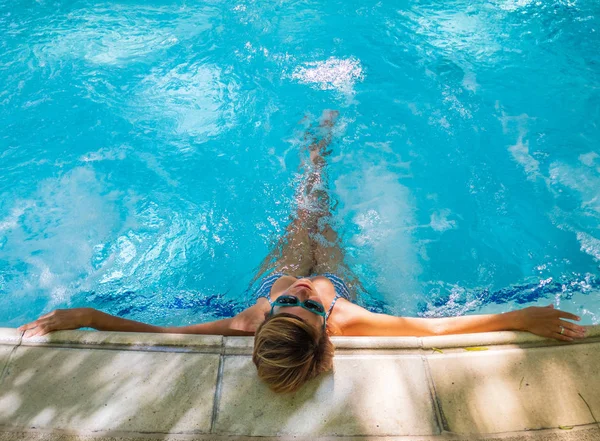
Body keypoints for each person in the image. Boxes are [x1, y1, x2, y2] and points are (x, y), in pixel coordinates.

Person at [18, 110, 587, 393]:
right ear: (326, 331)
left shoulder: (248, 321)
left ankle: (312, 160)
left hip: (278, 270)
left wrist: (92, 317)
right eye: (309, 309)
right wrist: (521, 317)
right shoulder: (350, 318)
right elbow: (437, 331)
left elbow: (157, 334)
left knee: (301, 218)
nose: (301, 296)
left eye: (290, 306)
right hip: (343, 279)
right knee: (327, 228)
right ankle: (321, 166)